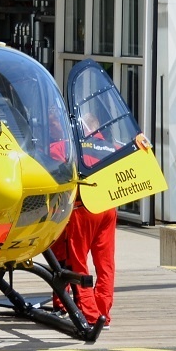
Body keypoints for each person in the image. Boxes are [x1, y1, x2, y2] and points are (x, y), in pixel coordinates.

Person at [50, 109, 118, 327]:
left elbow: (51, 170)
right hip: (108, 208)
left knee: (77, 264)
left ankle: (89, 315)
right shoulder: (111, 146)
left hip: (83, 209)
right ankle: (104, 313)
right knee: (105, 264)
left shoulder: (68, 146)